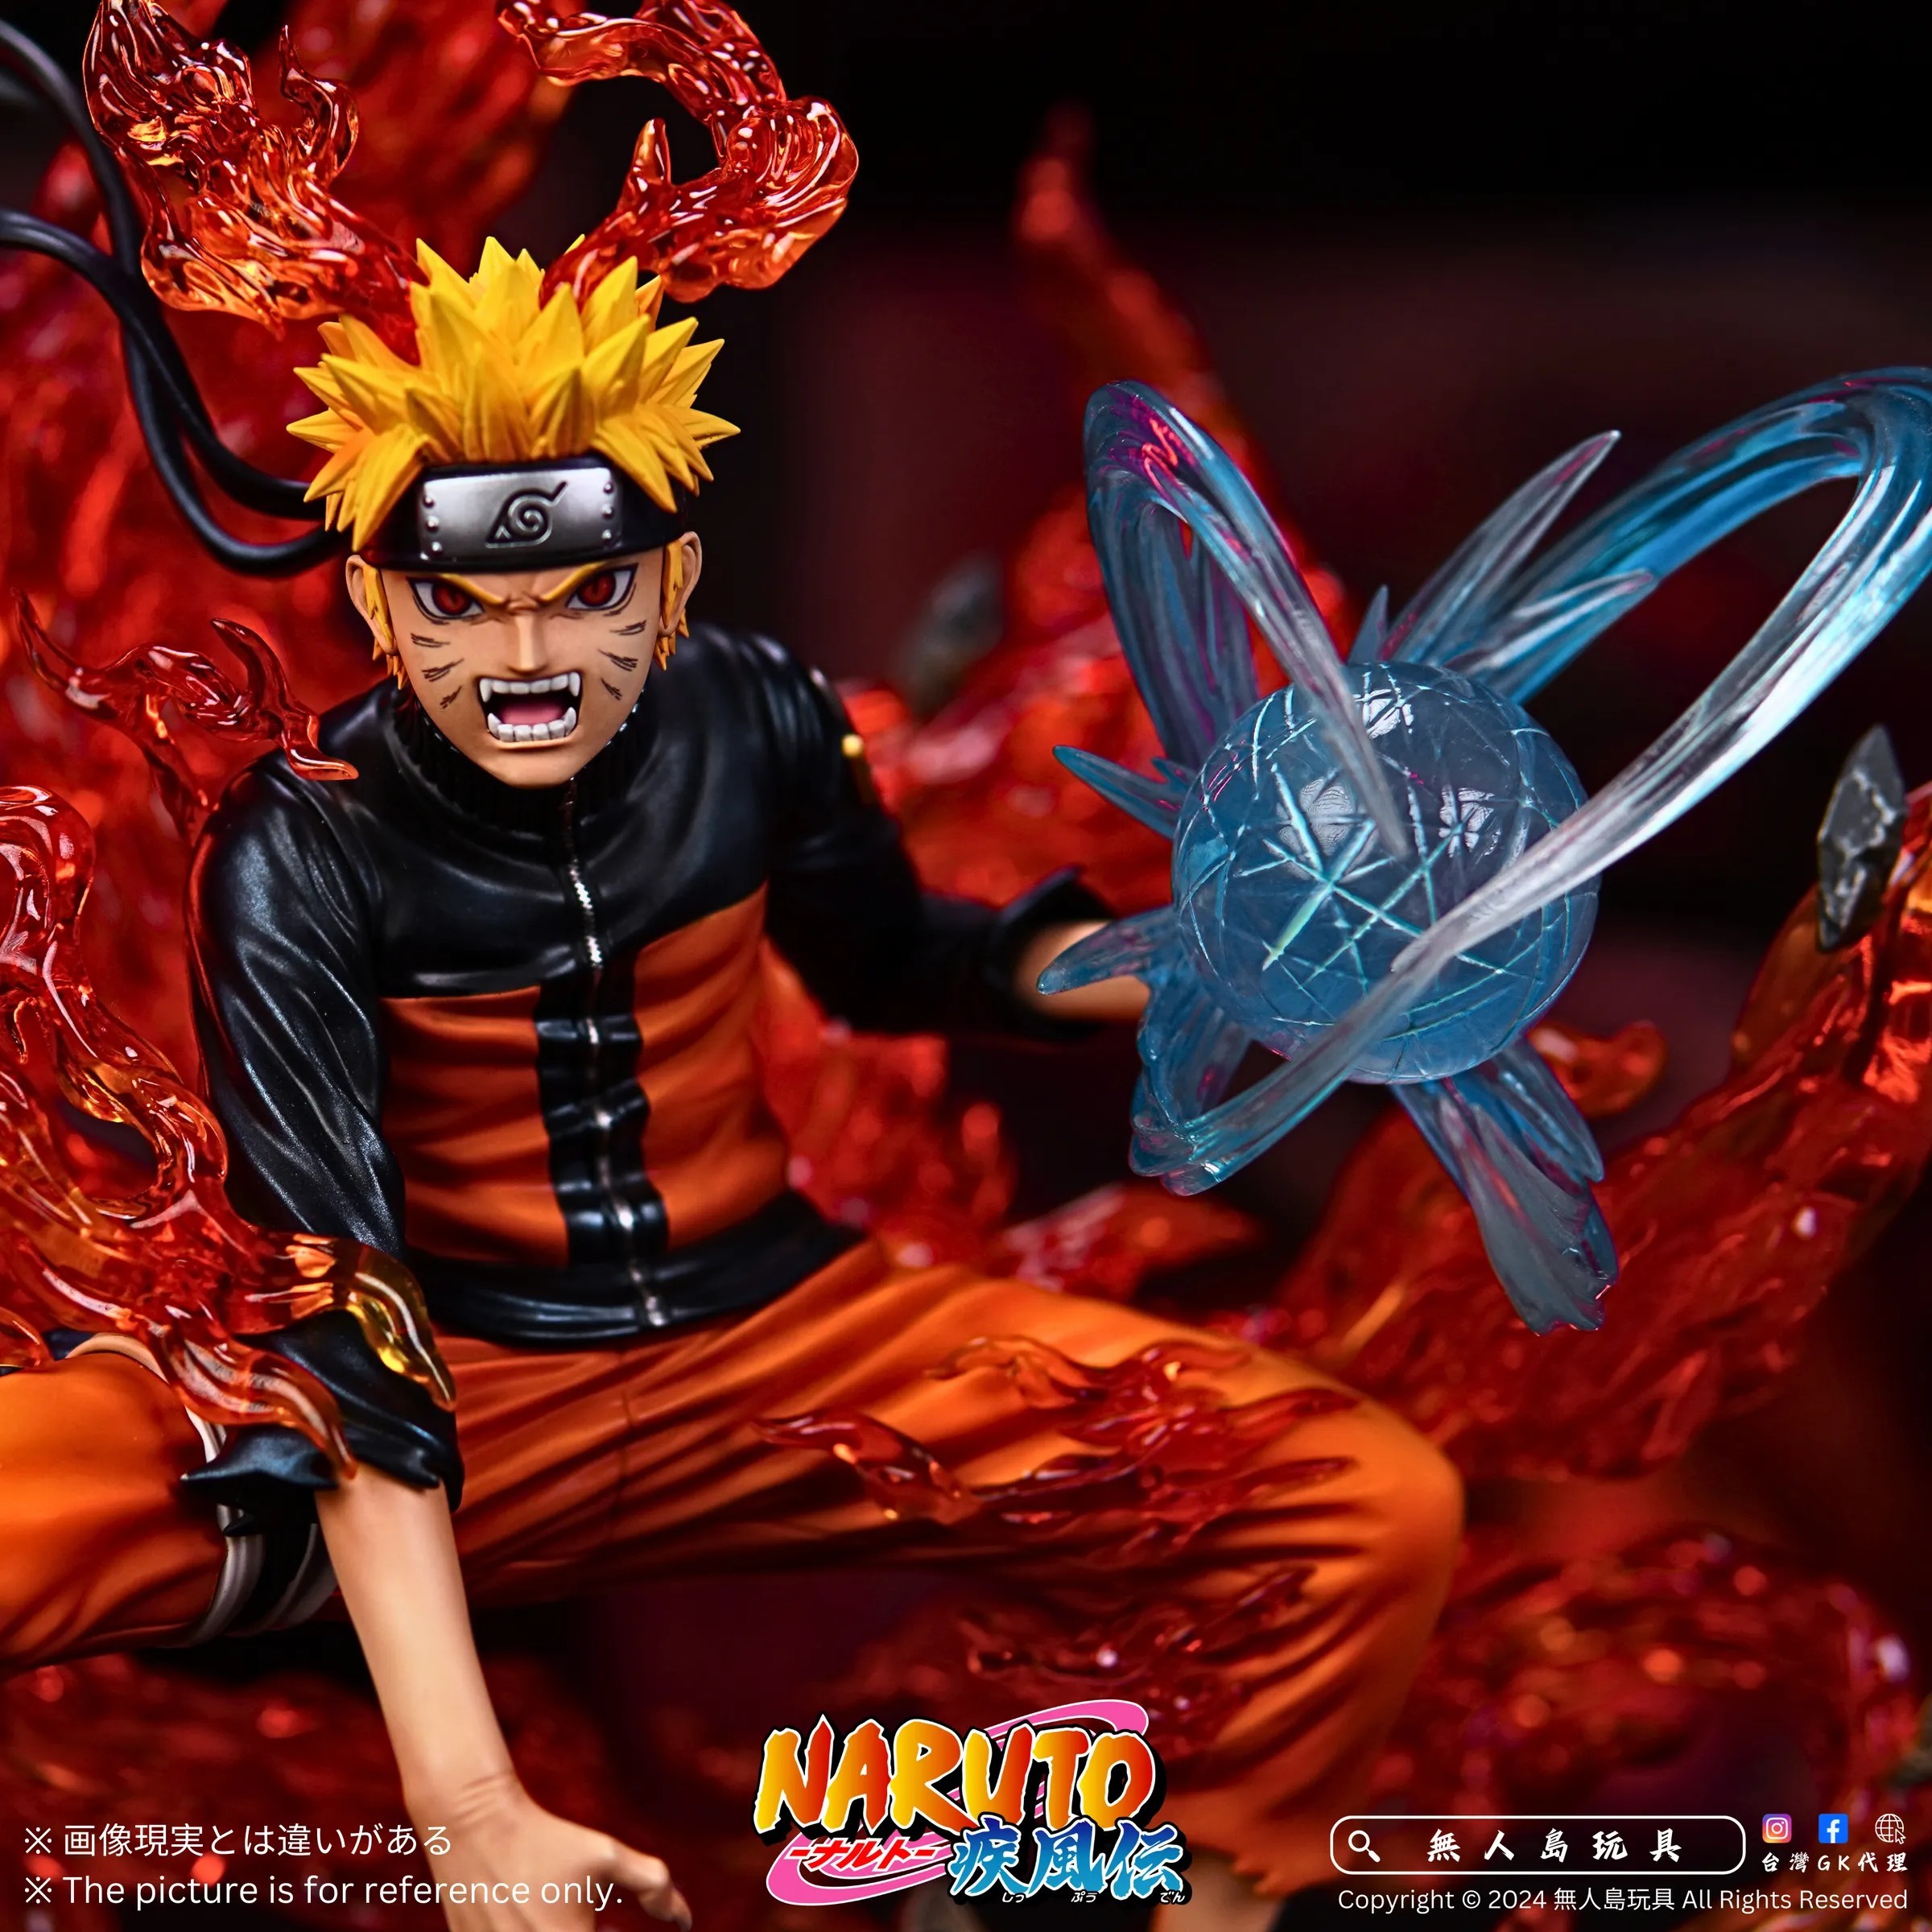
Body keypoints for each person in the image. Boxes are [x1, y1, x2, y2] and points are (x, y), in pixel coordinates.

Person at [0, 12, 1462, 1928]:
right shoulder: (303, 842)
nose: (529, 659)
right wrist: (468, 1807)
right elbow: (341, 1321)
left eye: (585, 595)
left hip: (789, 1347)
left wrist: (1234, 970)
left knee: (1362, 1505)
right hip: (455, 1388)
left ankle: (1129, 1891)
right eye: (464, 606)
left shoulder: (755, 718)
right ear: (376, 603)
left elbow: (906, 965)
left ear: (673, 583)